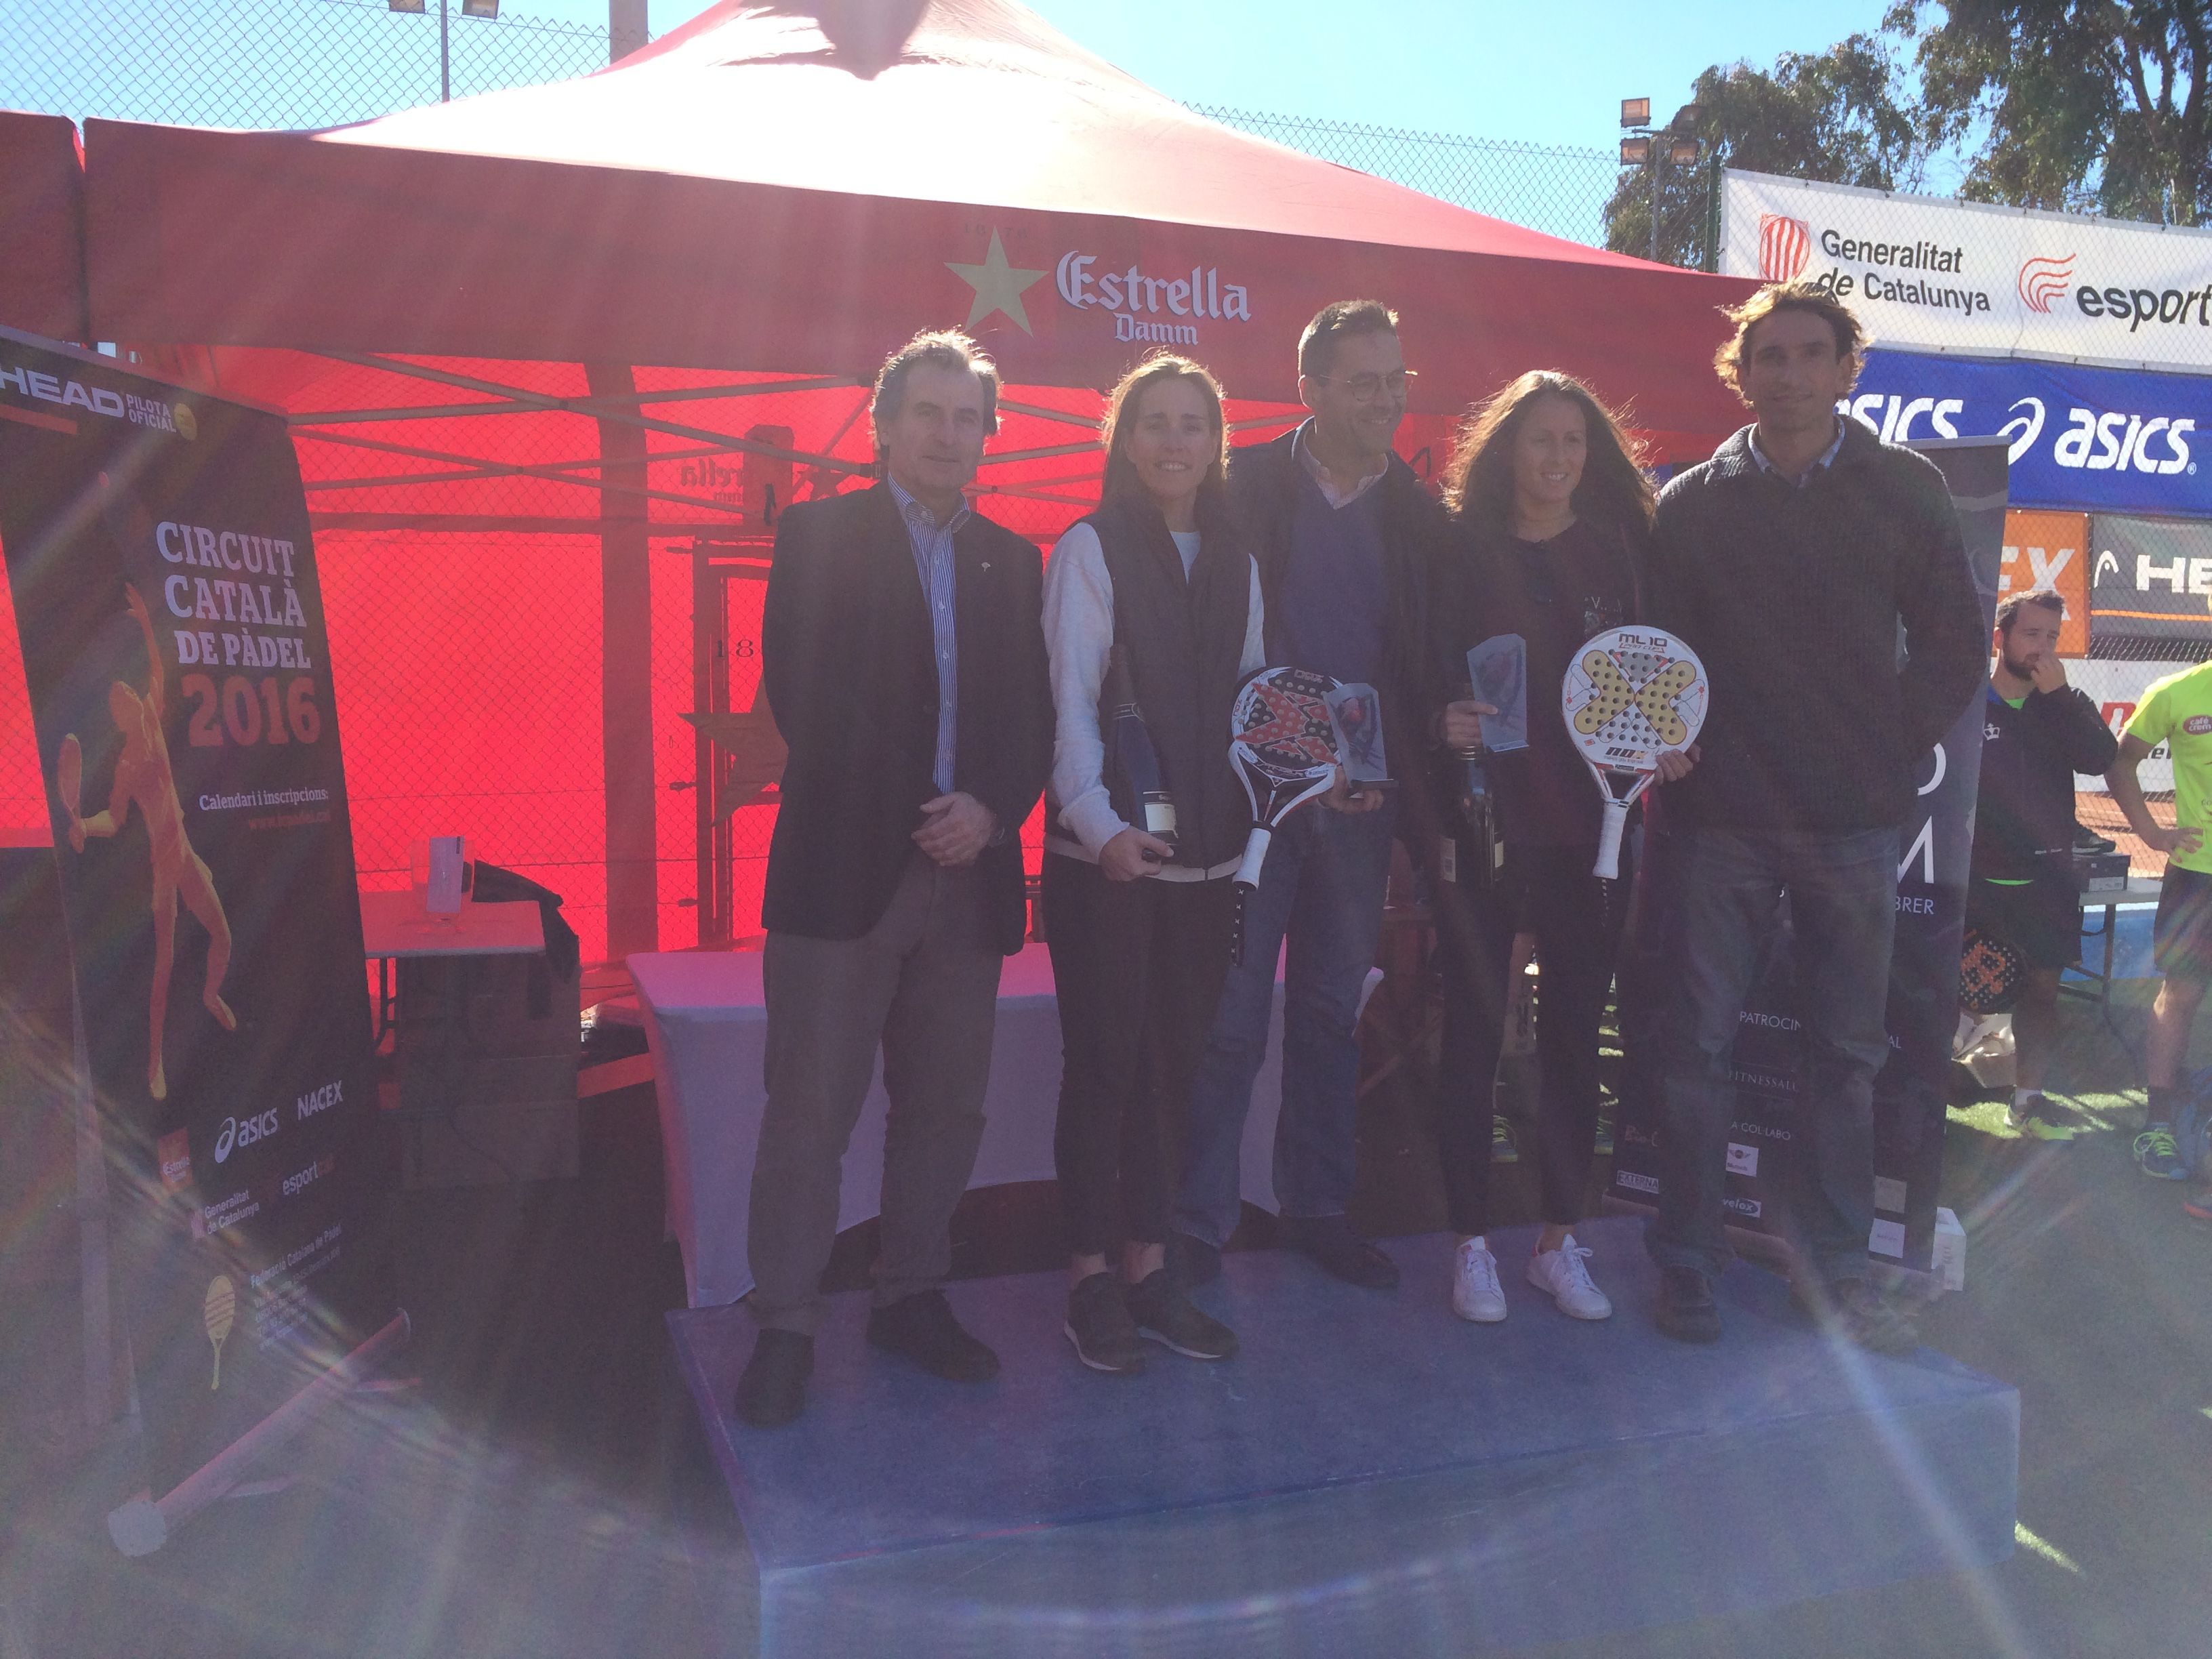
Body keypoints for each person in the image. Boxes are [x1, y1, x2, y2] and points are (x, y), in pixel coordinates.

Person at [1641, 281, 1984, 1351]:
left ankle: (1838, 1272)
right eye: (1768, 357)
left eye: (1808, 355)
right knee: (1694, 1049)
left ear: (1848, 369)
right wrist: (1671, 739)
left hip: (1853, 826)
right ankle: (1686, 1261)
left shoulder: (1909, 490)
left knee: (1848, 1059)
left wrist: (1882, 755)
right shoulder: (1692, 502)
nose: (1786, 375)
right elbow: (1662, 650)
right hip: (1718, 825)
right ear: (1740, 374)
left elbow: (1953, 649)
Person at [734, 329, 1051, 1428]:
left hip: (967, 882)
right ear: (882, 423)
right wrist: (930, 808)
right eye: (927, 412)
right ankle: (783, 1318)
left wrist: (990, 810)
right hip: (843, 875)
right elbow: (807, 696)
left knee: (943, 1111)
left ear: (984, 433)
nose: (946, 434)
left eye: (966, 418)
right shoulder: (818, 536)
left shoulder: (1015, 561)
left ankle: (911, 1296)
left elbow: (1030, 715)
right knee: (808, 1109)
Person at [1174, 299, 1443, 1292]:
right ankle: (1195, 1223)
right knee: (1233, 1020)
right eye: (1365, 382)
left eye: (1397, 381)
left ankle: (1318, 1208)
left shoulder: (1422, 516)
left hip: (1358, 812)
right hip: (1251, 808)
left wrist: (1395, 775)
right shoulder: (1239, 485)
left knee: (1329, 1012)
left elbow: (1421, 668)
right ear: (1311, 390)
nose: (1387, 399)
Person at [1429, 371, 1684, 1324]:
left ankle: (1555, 1241)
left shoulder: (1625, 553)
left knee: (1579, 1038)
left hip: (1596, 839)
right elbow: (1421, 669)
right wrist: (1437, 717)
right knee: (1473, 1040)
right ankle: (1468, 1244)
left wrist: (1672, 736)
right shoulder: (1460, 551)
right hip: (1486, 833)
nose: (1559, 457)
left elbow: (1662, 672)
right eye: (1541, 439)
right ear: (1507, 449)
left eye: (1575, 440)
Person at [1041, 354, 1265, 1374]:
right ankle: (1089, 1278)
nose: (1177, 441)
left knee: (1173, 1075)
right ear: (1125, 442)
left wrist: (1307, 772)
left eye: (1195, 425)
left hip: (1211, 870)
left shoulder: (1236, 552)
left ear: (1217, 443)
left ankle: (1147, 1269)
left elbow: (1261, 702)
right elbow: (1073, 706)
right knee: (1105, 1071)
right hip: (1110, 873)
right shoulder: (1088, 547)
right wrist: (1099, 825)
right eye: (1157, 423)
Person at [64, 579, 237, 1102]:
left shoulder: (155, 720)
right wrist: (83, 827)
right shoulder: (127, 765)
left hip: (187, 853)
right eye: (123, 698)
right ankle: (154, 1064)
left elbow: (160, 670)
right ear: (120, 719)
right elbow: (113, 820)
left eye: (132, 691)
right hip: (166, 870)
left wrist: (143, 623)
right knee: (163, 969)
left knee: (224, 937)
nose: (134, 695)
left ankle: (211, 994)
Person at [1968, 590, 2114, 1139]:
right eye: (2032, 635)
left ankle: (2027, 1099)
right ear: (2001, 638)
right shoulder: (1967, 703)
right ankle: (1923, 1102)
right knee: (1948, 992)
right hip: (1974, 879)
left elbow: (2099, 759)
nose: (2043, 647)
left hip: (2047, 881)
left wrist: (2059, 699)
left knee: (2043, 991)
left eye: (2052, 637)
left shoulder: (2063, 705)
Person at [2106, 644, 2212, 1185]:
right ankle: (2158, 1124)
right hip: (2198, 874)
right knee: (2183, 994)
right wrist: (2151, 833)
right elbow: (2121, 762)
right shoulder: (2175, 692)